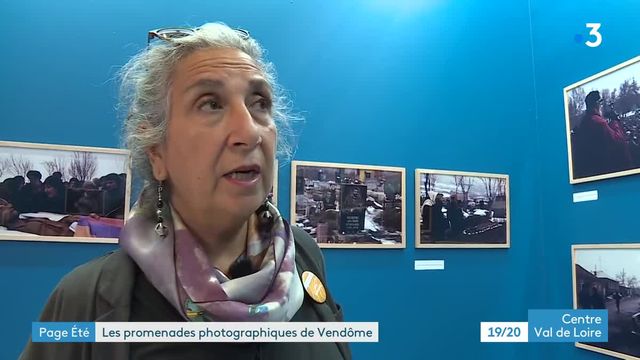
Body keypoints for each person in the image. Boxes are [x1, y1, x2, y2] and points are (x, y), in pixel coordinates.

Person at [21, 23, 350, 360]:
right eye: (211, 104)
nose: (250, 132)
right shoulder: (88, 299)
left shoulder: (303, 256)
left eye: (259, 103)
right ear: (157, 153)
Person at [572, 90, 633, 178]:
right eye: (601, 102)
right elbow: (618, 141)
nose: (601, 105)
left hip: (592, 169)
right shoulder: (599, 122)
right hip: (606, 168)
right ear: (597, 104)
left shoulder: (584, 122)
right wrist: (614, 122)